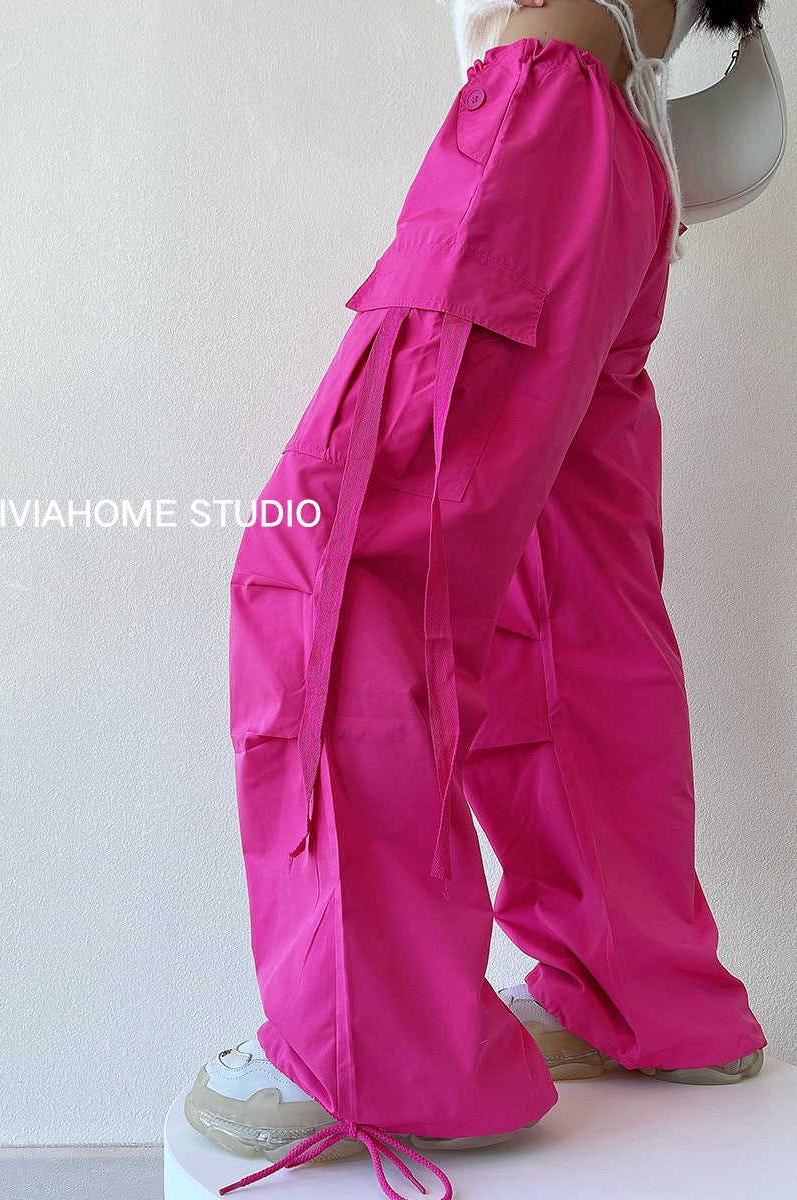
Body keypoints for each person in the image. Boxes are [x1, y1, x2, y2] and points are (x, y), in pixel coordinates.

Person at [184, 3, 769, 1197]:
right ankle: (640, 990)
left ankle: (375, 1050)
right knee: (576, 603)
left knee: (341, 564)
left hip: (550, 109)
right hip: (618, 143)